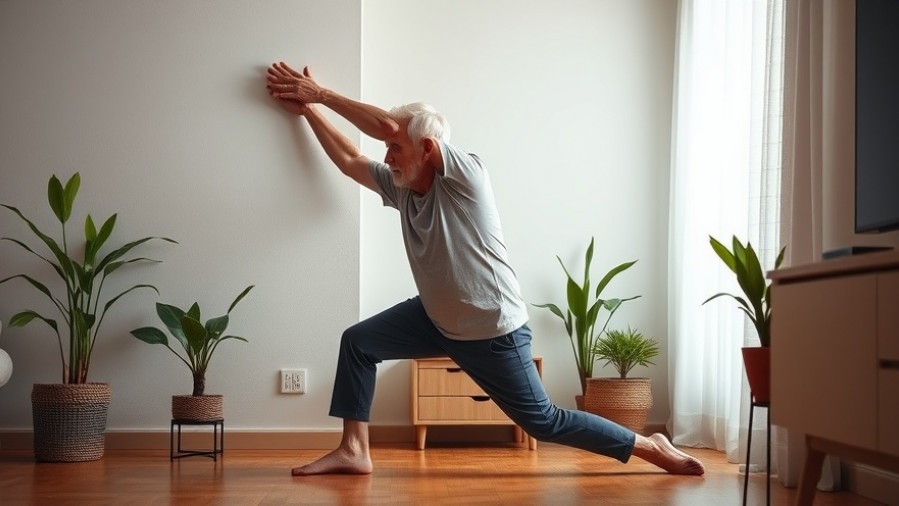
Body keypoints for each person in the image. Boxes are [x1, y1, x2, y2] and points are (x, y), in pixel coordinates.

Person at [266, 61, 705, 478]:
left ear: (429, 149)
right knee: (358, 343)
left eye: (396, 148)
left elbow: (388, 126)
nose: (389, 155)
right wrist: (307, 111)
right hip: (435, 318)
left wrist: (320, 93)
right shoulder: (402, 189)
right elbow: (350, 160)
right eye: (389, 150)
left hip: (492, 332)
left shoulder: (465, 177)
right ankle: (355, 450)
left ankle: (652, 447)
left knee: (544, 422)